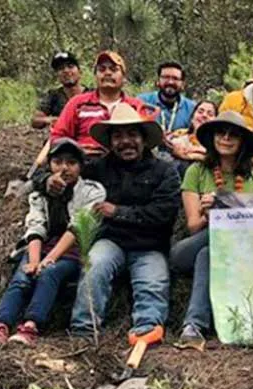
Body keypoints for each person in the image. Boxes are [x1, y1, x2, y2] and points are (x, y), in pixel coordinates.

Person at [48, 103, 180, 340]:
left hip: (150, 245)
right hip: (110, 241)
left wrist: (118, 211)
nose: (125, 141)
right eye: (118, 136)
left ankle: (146, 332)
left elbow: (163, 213)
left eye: (132, 134)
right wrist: (50, 181)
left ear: (144, 139)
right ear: (110, 142)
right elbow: (55, 174)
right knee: (94, 266)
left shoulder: (165, 171)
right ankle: (83, 331)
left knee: (154, 283)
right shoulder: (97, 168)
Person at [0, 139, 106, 346]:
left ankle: (31, 325)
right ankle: (0, 323)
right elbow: (35, 226)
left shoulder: (92, 191)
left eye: (71, 163)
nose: (64, 168)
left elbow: (77, 228)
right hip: (45, 245)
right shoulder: (40, 194)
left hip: (73, 249)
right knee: (23, 276)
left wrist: (48, 260)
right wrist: (34, 260)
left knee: (49, 273)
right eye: (58, 162)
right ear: (50, 165)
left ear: (81, 167)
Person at [171, 111, 253, 345]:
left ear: (242, 142)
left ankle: (194, 326)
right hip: (195, 243)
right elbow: (194, 225)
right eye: (221, 133)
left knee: (209, 255)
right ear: (213, 138)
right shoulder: (196, 171)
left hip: (239, 249)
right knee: (206, 248)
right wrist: (212, 213)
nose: (226, 138)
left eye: (233, 135)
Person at [51, 51, 147, 158]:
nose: (107, 73)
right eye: (101, 69)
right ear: (95, 76)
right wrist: (77, 149)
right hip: (86, 163)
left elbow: (146, 140)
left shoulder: (135, 105)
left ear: (124, 77)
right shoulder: (77, 103)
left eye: (114, 69)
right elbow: (57, 136)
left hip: (126, 163)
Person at [138, 62, 197, 168]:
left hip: (181, 160)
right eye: (165, 77)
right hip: (147, 158)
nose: (170, 82)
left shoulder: (192, 108)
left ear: (182, 84)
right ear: (158, 81)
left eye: (175, 78)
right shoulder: (142, 102)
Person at [32, 52, 87, 130]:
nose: (66, 71)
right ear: (57, 75)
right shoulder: (53, 95)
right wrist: (51, 120)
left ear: (80, 71)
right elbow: (35, 120)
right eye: (61, 68)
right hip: (62, 138)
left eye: (70, 66)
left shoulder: (91, 94)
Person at [166, 100, 218, 166]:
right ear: (192, 118)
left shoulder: (218, 145)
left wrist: (191, 156)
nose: (204, 115)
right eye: (200, 112)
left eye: (210, 114)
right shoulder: (177, 138)